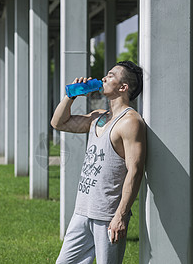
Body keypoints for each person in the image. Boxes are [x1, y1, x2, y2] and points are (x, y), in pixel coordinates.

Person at [51, 61, 146, 264]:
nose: (103, 78)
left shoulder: (130, 122)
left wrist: (120, 216)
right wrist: (70, 95)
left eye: (110, 75)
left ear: (123, 87)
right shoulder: (98, 117)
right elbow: (58, 123)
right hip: (82, 210)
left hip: (108, 215)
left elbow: (135, 171)